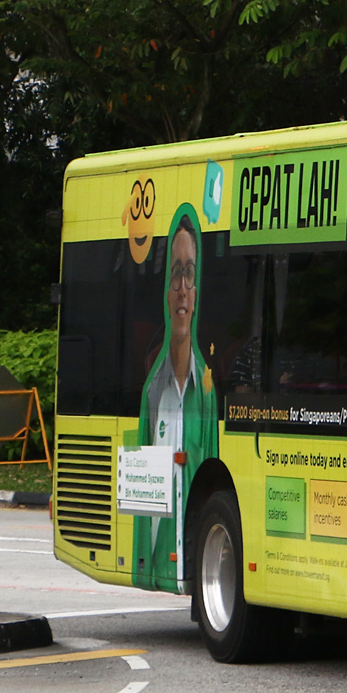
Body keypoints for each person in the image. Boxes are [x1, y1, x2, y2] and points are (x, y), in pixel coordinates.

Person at [134, 206, 219, 591]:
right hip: (156, 563)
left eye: (190, 273)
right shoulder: (151, 391)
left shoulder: (208, 392)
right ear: (167, 293)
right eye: (175, 275)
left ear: (198, 291)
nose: (183, 288)